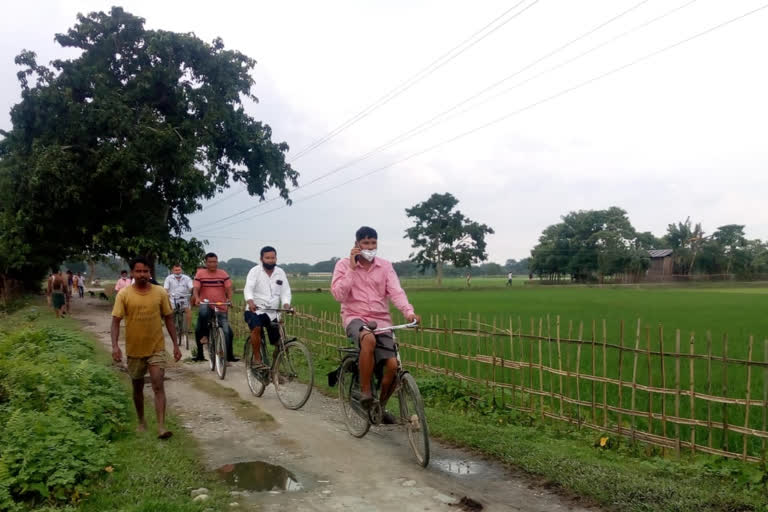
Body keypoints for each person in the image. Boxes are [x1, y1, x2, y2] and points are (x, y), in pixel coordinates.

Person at [331, 226, 420, 423]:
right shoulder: (343, 265)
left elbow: (396, 292)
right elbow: (339, 295)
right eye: (366, 243)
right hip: (355, 317)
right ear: (357, 245)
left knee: (392, 365)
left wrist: (409, 312)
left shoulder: (385, 266)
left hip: (382, 321)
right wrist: (352, 270)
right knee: (368, 339)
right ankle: (366, 392)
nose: (370, 248)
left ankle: (380, 407)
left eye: (373, 244)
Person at [111, 257, 181, 439]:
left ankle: (161, 427)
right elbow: (116, 322)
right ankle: (141, 421)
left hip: (156, 348)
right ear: (132, 273)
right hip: (134, 350)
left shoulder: (160, 293)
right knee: (137, 387)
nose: (142, 275)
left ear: (150, 273)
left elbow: (169, 318)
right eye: (138, 271)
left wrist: (175, 345)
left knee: (158, 385)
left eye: (146, 271)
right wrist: (115, 347)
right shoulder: (124, 295)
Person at [243, 246, 292, 369]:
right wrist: (250, 302)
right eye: (267, 258)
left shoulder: (280, 272)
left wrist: (286, 304)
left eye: (273, 258)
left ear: (276, 258)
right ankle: (257, 358)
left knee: (280, 343)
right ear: (261, 259)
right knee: (256, 328)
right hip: (255, 309)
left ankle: (274, 370)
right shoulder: (255, 271)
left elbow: (285, 291)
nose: (270, 260)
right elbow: (248, 288)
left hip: (273, 313)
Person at [192, 253, 236, 362]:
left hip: (221, 306)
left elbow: (229, 288)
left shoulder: (223, 273)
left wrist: (229, 299)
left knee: (227, 332)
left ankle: (227, 356)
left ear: (217, 262)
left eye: (215, 262)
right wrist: (197, 298)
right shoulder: (200, 274)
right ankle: (200, 353)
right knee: (199, 328)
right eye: (210, 262)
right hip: (206, 305)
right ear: (205, 263)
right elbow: (196, 289)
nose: (212, 264)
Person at [164, 264, 194, 339]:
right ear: (172, 271)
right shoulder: (169, 278)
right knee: (171, 314)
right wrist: (166, 294)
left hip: (184, 298)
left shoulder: (187, 278)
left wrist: (192, 291)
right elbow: (166, 289)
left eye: (179, 270)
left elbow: (191, 287)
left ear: (181, 270)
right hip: (173, 299)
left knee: (188, 311)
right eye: (176, 270)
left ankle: (188, 329)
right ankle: (173, 329)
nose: (177, 272)